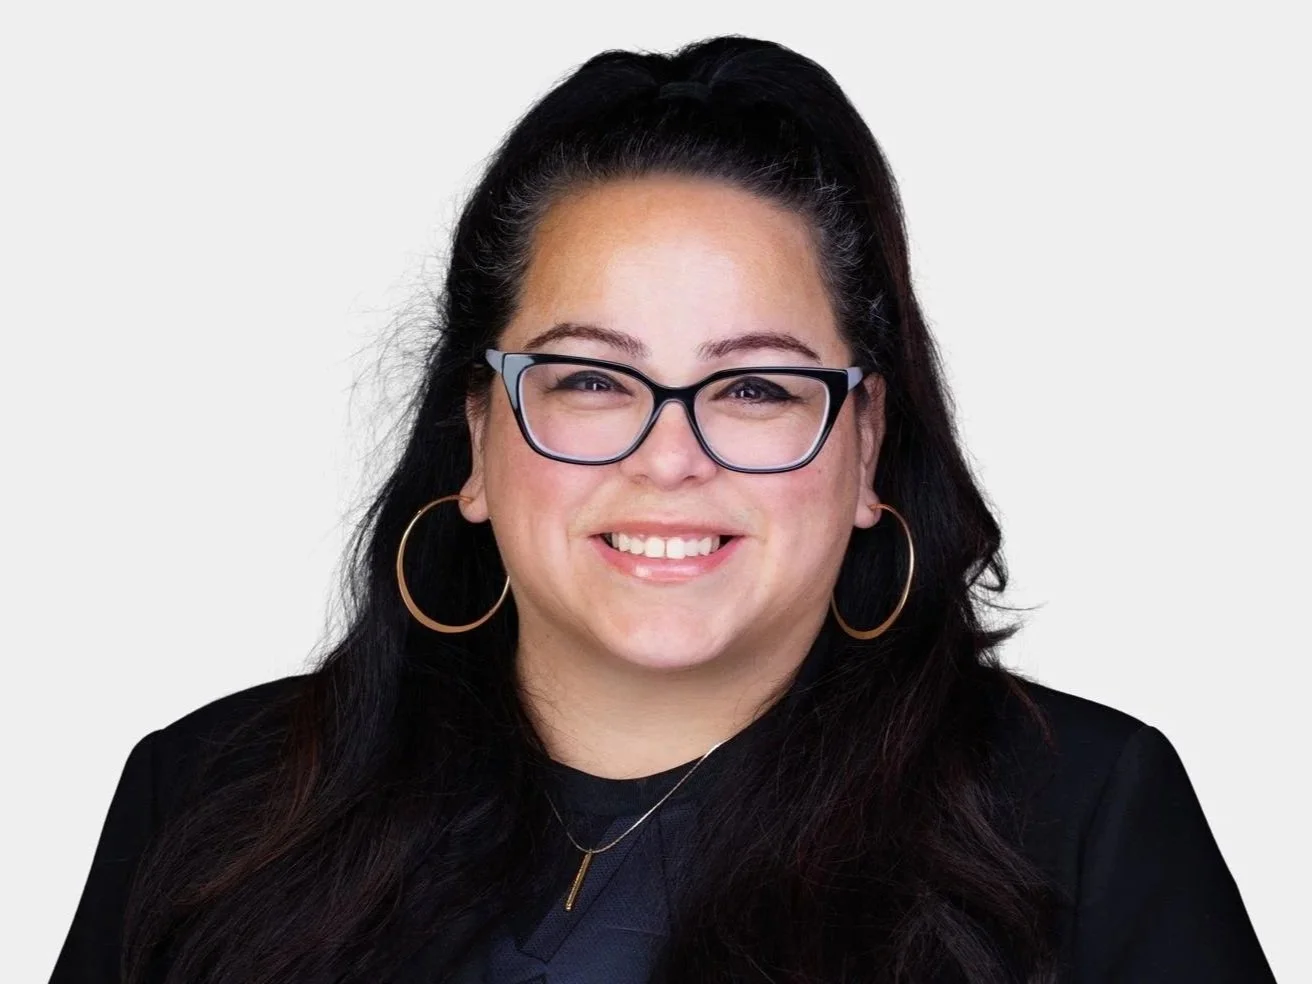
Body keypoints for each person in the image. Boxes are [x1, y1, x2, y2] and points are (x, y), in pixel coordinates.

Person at [50, 35, 1275, 984]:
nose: (669, 457)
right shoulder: (207, 801)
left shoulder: (1084, 819)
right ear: (475, 435)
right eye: (591, 379)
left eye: (754, 387)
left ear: (864, 445)